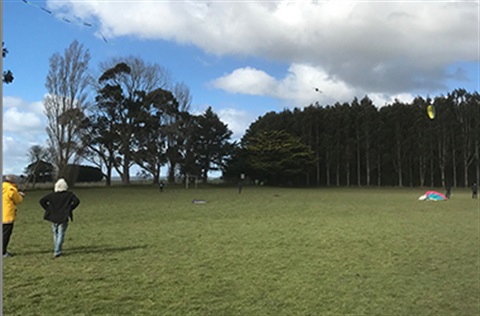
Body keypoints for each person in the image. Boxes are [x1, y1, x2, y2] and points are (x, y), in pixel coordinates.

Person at [39, 178, 80, 258]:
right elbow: (77, 201)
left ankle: (56, 249)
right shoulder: (69, 195)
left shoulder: (52, 195)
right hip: (63, 216)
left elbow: (42, 201)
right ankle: (57, 251)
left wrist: (48, 209)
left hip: (53, 216)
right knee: (61, 233)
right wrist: (70, 208)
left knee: (55, 233)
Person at [2, 175, 25, 257]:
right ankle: (3, 252)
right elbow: (18, 201)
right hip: (6, 216)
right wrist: (21, 195)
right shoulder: (11, 189)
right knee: (5, 235)